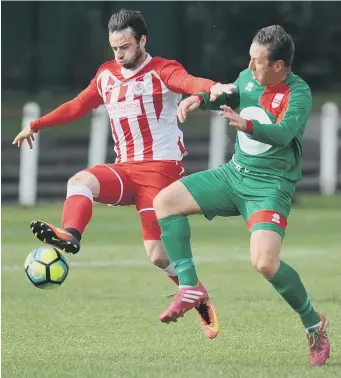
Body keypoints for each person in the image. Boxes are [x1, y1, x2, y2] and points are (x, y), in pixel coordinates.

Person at [13, 8, 225, 339]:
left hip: (160, 172)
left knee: (157, 255)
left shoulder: (162, 70)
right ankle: (71, 235)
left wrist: (211, 89)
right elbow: (78, 105)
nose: (119, 54)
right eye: (114, 48)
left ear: (142, 41)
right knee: (79, 182)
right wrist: (36, 125)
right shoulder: (106, 75)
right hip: (125, 169)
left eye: (125, 47)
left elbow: (190, 82)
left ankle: (196, 294)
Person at [153, 25, 330, 365]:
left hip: (270, 187)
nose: (250, 67)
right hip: (233, 174)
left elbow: (283, 134)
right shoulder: (248, 77)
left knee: (265, 263)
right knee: (166, 202)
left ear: (278, 65)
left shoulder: (299, 93)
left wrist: (246, 124)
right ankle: (191, 287)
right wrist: (197, 99)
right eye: (249, 59)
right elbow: (228, 93)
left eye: (257, 62)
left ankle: (313, 323)